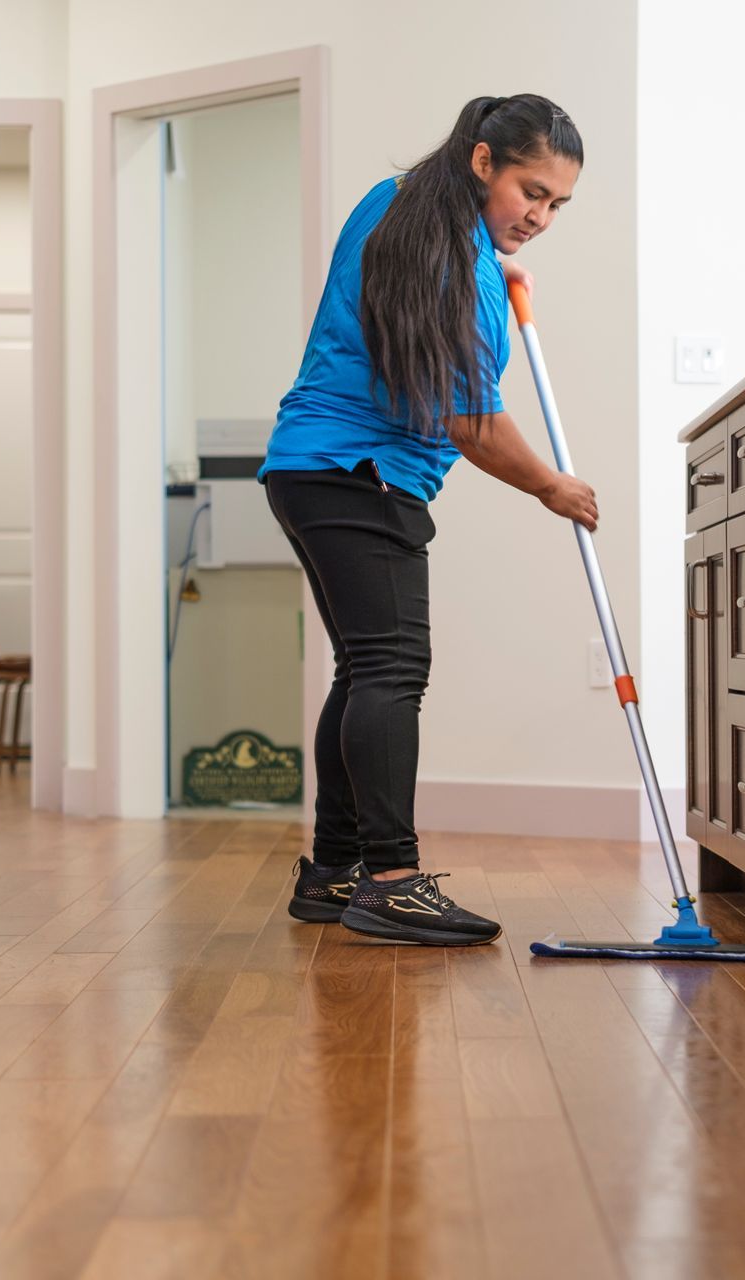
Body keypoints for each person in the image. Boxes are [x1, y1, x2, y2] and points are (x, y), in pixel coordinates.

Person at [260, 95, 597, 946]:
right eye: (532, 191)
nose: (542, 216)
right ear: (483, 161)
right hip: (362, 475)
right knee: (392, 668)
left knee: (363, 667)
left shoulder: (397, 203)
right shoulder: (461, 268)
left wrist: (499, 254)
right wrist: (553, 486)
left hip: (309, 466)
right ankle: (393, 881)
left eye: (557, 203)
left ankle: (333, 874)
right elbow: (473, 422)